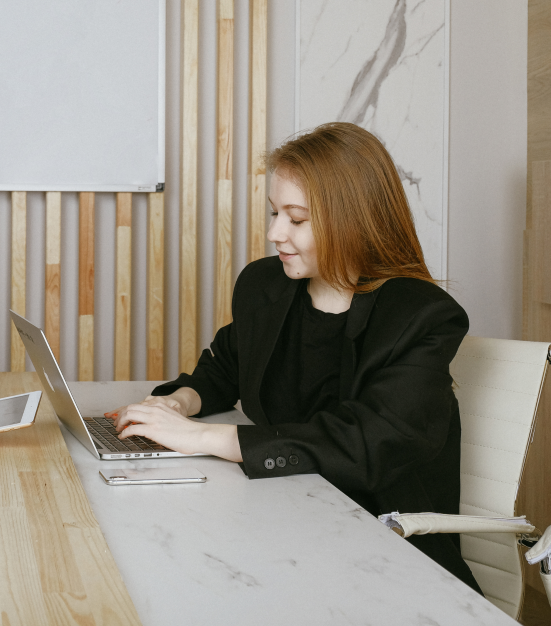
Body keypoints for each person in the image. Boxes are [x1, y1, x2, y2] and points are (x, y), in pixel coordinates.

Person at [110, 122, 482, 593]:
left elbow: (364, 444)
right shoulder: (265, 284)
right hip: (280, 517)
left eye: (297, 219)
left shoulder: (421, 315)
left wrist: (202, 437)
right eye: (274, 212)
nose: (274, 232)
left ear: (354, 219)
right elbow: (226, 367)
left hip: (387, 551)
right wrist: (177, 403)